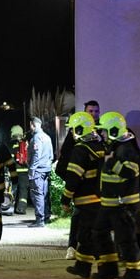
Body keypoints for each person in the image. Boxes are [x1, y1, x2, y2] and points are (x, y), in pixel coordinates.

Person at [93, 111, 140, 279]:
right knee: (99, 232)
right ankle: (108, 269)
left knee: (126, 239)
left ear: (114, 131)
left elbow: (131, 172)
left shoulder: (126, 149)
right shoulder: (116, 146)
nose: (102, 134)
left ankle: (135, 273)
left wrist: (112, 163)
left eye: (104, 131)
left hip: (123, 204)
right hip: (110, 203)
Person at [60, 112, 105, 279]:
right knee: (90, 235)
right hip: (101, 199)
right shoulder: (100, 146)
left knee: (89, 236)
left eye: (73, 129)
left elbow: (73, 177)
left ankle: (103, 269)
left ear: (79, 129)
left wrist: (65, 199)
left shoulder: (80, 149)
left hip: (87, 201)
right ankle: (84, 267)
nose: (72, 132)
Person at [57, 100, 100, 255]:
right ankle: (72, 247)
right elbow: (65, 154)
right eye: (90, 111)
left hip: (97, 185)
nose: (93, 114)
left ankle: (90, 251)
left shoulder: (102, 130)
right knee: (78, 215)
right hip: (81, 182)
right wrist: (73, 177)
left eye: (96, 111)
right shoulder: (76, 131)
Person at [27, 116, 53, 228]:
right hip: (46, 169)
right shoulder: (47, 137)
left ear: (33, 125)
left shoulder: (37, 138)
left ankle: (40, 220)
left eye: (30, 125)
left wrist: (32, 169)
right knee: (44, 194)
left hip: (38, 170)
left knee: (37, 194)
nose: (30, 127)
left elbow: (36, 155)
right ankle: (46, 217)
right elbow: (51, 155)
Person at [9, 125, 29, 215]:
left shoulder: (12, 144)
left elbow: (10, 158)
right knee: (23, 190)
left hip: (15, 171)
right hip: (25, 170)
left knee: (14, 189)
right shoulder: (25, 143)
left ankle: (11, 207)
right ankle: (21, 208)